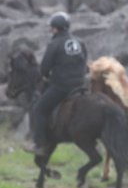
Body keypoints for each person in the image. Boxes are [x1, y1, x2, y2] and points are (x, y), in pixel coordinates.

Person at [24, 11, 88, 156]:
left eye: (52, 27)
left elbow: (44, 68)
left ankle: (39, 144)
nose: (51, 30)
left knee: (39, 109)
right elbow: (84, 62)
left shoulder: (54, 44)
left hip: (62, 87)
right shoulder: (80, 42)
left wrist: (47, 76)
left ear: (55, 28)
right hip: (81, 84)